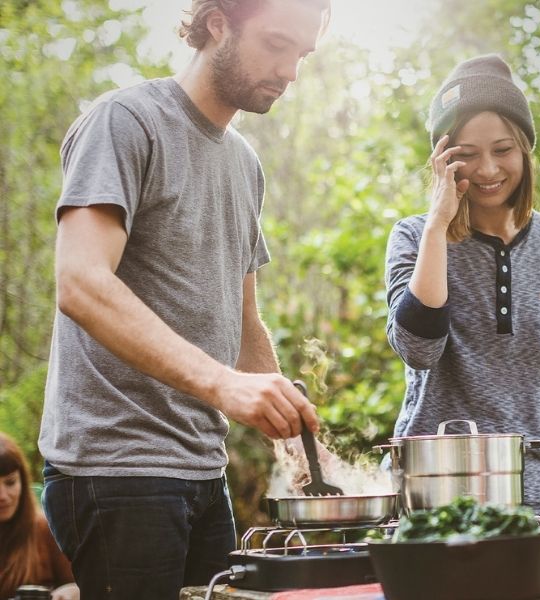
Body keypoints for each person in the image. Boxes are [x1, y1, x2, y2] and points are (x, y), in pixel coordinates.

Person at [38, 0, 330, 597]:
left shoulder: (245, 164)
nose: (291, 71)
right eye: (276, 43)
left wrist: (304, 464)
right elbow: (82, 283)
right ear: (217, 22)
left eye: (302, 54)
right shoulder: (125, 121)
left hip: (203, 469)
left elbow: (246, 324)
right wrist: (224, 386)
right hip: (116, 470)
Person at [384, 54, 540, 525]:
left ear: (524, 150)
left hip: (535, 490)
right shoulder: (415, 236)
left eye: (502, 150)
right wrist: (439, 223)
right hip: (433, 492)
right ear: (442, 158)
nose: (486, 170)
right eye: (466, 153)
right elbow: (419, 350)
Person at [0, 432, 79, 600]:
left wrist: (69, 592)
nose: (3, 496)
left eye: (10, 482)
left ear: (23, 481)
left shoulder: (45, 528)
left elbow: (78, 584)